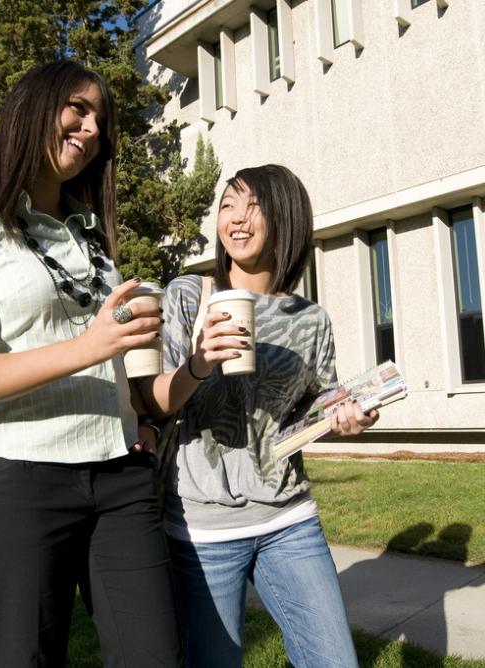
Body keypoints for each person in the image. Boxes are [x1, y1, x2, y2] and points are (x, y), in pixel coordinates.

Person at [0, 60, 180, 667]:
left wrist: (136, 414)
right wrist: (89, 347)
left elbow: (113, 363)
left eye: (101, 121)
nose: (91, 130)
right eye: (78, 110)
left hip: (120, 477)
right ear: (34, 108)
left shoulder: (89, 239)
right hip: (19, 478)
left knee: (156, 657)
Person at [138, 164, 378, 668]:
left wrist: (348, 416)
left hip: (289, 516)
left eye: (253, 206)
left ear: (284, 218)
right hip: (203, 526)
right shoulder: (188, 295)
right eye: (227, 205)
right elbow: (154, 402)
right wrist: (200, 363)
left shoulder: (310, 320)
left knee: (336, 662)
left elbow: (315, 408)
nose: (237, 218)